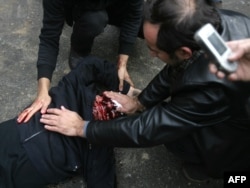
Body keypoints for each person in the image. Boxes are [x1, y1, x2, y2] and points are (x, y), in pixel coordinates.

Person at [39, 0, 250, 182]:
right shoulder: (217, 23)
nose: (150, 55)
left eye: (155, 50)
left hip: (237, 140)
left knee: (181, 143)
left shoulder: (209, 89)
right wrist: (139, 102)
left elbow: (149, 129)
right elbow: (176, 68)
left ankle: (221, 173)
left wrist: (82, 128)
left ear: (184, 52)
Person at [0, 56, 138, 188]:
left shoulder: (100, 144)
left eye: (118, 112)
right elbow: (91, 63)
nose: (112, 106)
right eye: (115, 98)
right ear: (107, 92)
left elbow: (102, 182)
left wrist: (89, 130)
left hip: (33, 166)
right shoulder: (74, 86)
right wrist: (127, 89)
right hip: (13, 132)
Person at [17, 0, 144, 124]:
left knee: (151, 23)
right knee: (94, 20)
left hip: (115, 5)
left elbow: (134, 14)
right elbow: (49, 39)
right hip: (85, 9)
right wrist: (42, 92)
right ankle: (79, 49)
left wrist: (122, 62)